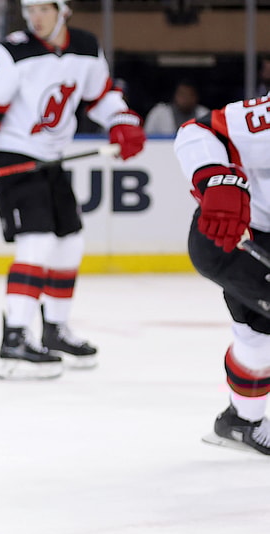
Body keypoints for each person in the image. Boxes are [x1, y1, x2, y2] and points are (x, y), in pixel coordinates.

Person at [0, 0, 146, 380]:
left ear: (63, 10)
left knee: (69, 242)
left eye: (44, 9)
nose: (35, 18)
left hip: (52, 158)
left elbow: (100, 96)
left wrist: (121, 120)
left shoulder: (86, 47)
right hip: (12, 156)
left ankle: (55, 329)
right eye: (30, 10)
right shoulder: (12, 51)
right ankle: (15, 336)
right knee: (37, 241)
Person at [174, 97, 270, 455]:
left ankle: (240, 420)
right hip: (238, 236)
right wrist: (217, 179)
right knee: (259, 337)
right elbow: (200, 131)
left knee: (258, 337)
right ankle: (241, 420)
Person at [143, 80, 208, 136]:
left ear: (196, 97)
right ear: (175, 95)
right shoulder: (159, 113)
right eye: (182, 94)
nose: (186, 98)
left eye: (190, 95)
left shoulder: (204, 114)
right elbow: (147, 137)